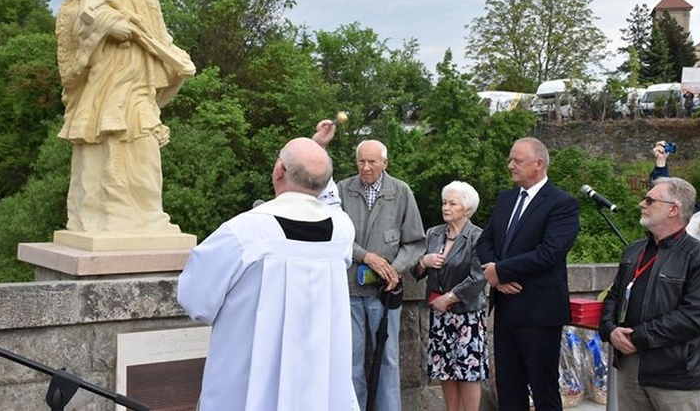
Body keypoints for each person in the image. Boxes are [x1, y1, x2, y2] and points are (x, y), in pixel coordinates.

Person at [177, 137, 359, 411]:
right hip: (321, 384)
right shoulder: (342, 230)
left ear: (278, 171)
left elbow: (196, 299)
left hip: (248, 385)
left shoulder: (243, 232)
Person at [55, 0, 196, 233]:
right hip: (104, 84)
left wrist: (180, 60)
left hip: (139, 88)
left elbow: (158, 38)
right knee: (100, 151)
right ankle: (96, 219)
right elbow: (73, 26)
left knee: (145, 151)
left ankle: (148, 217)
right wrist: (107, 27)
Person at [476, 137, 580, 411]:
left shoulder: (562, 204)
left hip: (540, 312)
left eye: (517, 161)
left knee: (543, 389)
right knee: (508, 389)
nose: (510, 165)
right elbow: (485, 241)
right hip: (506, 309)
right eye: (510, 159)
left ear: (538, 164)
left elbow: (549, 252)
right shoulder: (506, 198)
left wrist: (501, 271)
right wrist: (494, 273)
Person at [598, 177, 700, 411]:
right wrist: (610, 330)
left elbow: (695, 315)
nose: (642, 203)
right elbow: (613, 297)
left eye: (650, 200)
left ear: (673, 209)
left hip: (676, 375)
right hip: (630, 369)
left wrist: (636, 337)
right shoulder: (633, 251)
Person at [337, 139, 426, 411]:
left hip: (384, 294)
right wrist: (366, 256)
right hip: (349, 289)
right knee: (350, 361)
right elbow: (334, 236)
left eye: (372, 162)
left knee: (388, 359)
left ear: (385, 163)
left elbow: (415, 242)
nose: (365, 167)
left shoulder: (401, 192)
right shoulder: (342, 190)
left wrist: (394, 270)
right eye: (361, 161)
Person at [649, 141, 700, 411]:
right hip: (695, 303)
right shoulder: (696, 217)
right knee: (697, 375)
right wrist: (661, 165)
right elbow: (668, 200)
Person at [413, 181, 489, 411]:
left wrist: (449, 297)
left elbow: (479, 277)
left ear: (467, 209)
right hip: (440, 315)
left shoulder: (479, 237)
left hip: (467, 315)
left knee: (468, 371)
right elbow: (416, 272)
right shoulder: (433, 234)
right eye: (444, 202)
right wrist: (423, 262)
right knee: (445, 370)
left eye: (452, 203)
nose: (445, 207)